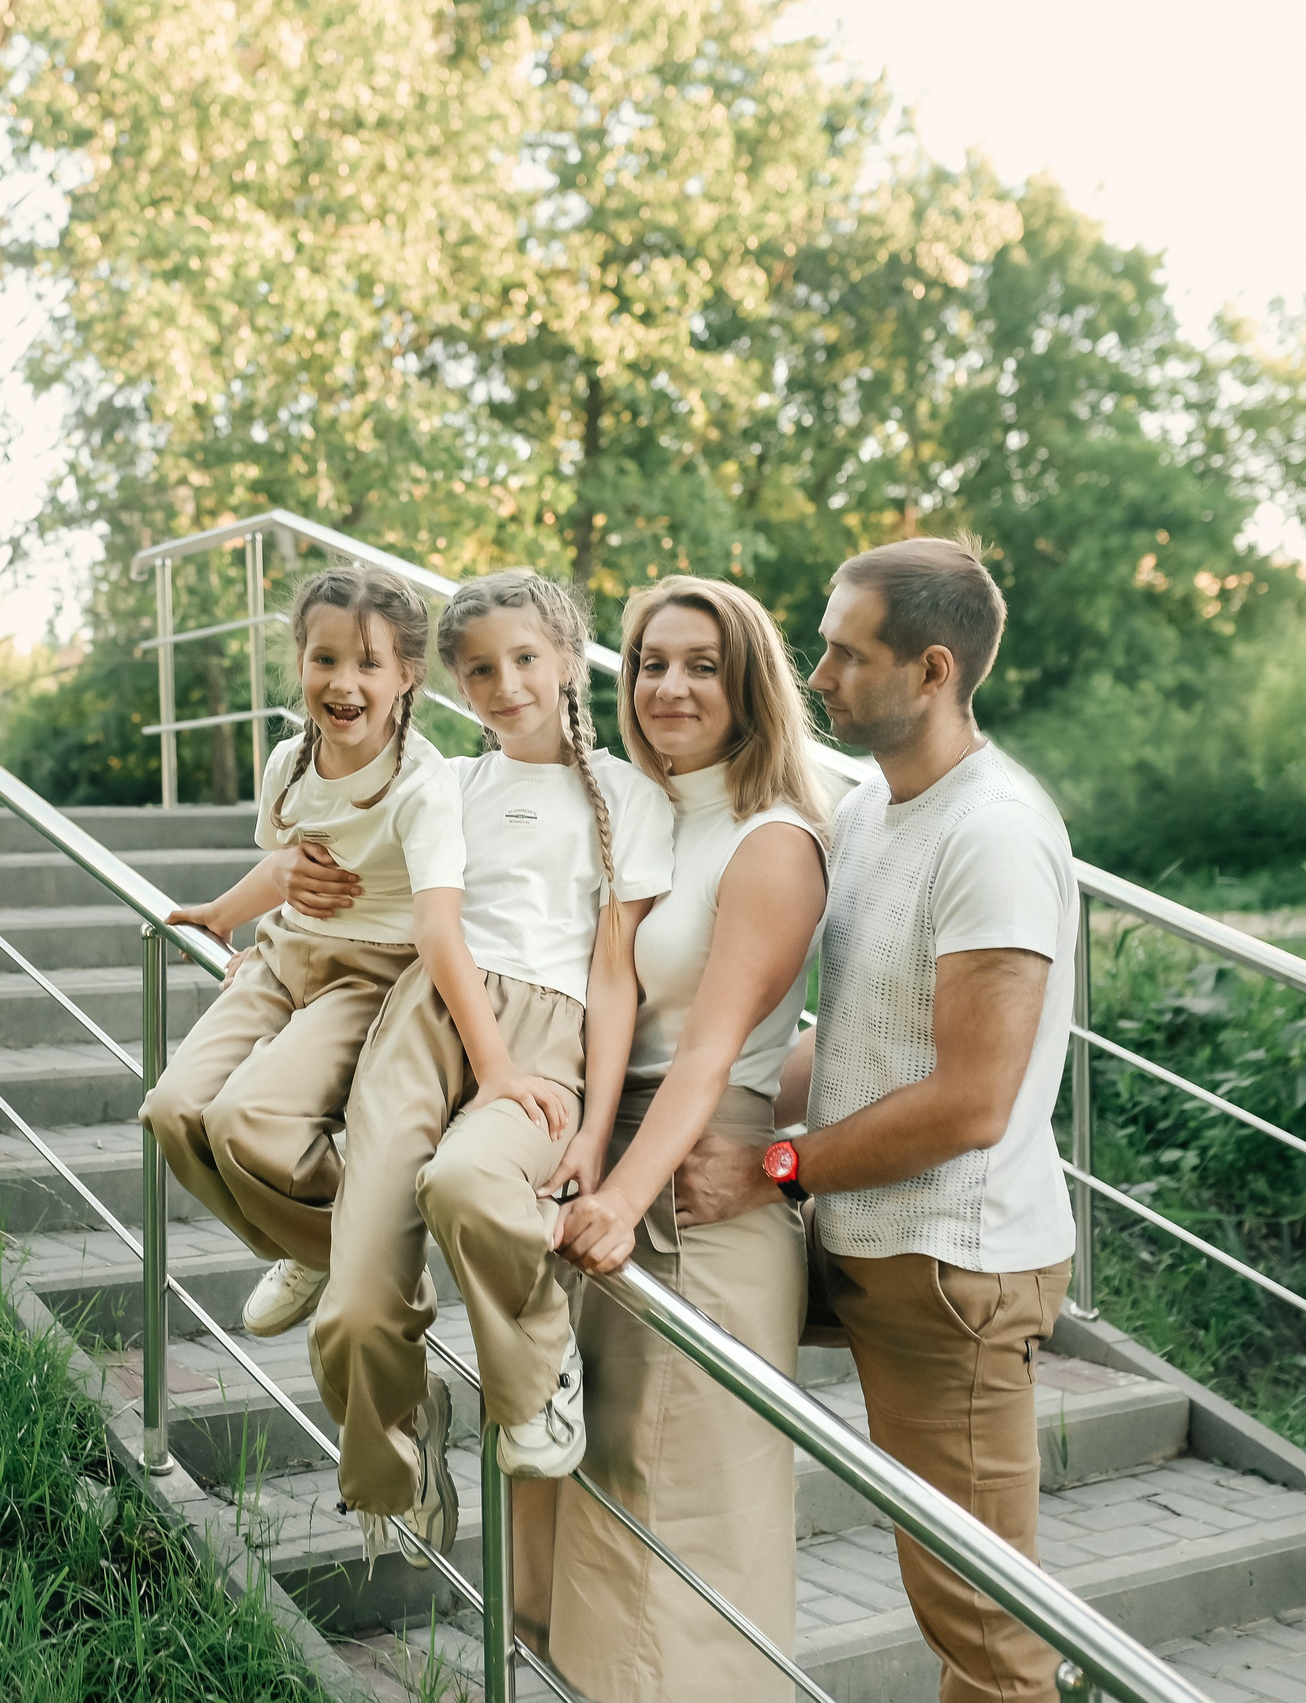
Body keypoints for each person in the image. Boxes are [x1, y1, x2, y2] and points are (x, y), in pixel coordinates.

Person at [675, 536, 1079, 1703]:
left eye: (847, 655)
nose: (817, 675)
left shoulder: (990, 832)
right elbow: (850, 1042)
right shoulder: (867, 815)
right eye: (819, 648)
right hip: (866, 1240)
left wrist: (772, 1167)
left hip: (948, 1266)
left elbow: (970, 1099)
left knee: (990, 1638)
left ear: (933, 669)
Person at [294, 572, 676, 1566]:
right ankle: (398, 1452)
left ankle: (537, 1368)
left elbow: (614, 972)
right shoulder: (448, 785)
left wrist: (590, 1131)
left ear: (565, 660)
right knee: (355, 1294)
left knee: (465, 1182)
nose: (504, 684)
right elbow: (408, 919)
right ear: (456, 685)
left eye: (523, 660)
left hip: (547, 1036)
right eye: (479, 670)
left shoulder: (627, 798)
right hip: (428, 1018)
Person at [533, 575, 831, 1699]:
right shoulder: (637, 817)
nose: (668, 685)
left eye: (702, 664)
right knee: (602, 1514)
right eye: (651, 660)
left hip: (689, 1202)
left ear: (748, 684)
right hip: (605, 1171)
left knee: (688, 1536)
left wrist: (617, 1196)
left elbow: (710, 1053)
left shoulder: (772, 839)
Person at [141, 563, 473, 1339]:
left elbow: (438, 922)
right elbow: (290, 860)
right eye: (325, 659)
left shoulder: (421, 787)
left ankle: (353, 1247)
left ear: (407, 675)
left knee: (243, 1121)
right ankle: (321, 1241)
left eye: (368, 662)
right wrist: (224, 912)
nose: (343, 681)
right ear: (300, 662)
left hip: (367, 976)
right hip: (282, 954)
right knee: (171, 1110)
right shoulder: (289, 761)